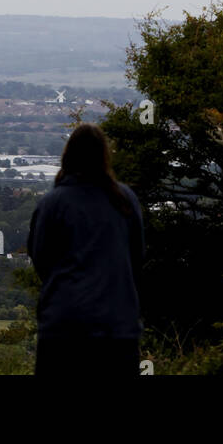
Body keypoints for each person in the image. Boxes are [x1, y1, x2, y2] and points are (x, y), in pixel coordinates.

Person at [27, 123, 145, 377]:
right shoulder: (125, 200)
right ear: (105, 156)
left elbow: (41, 260)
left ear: (67, 156)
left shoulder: (52, 203)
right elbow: (137, 258)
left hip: (63, 325)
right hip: (118, 326)